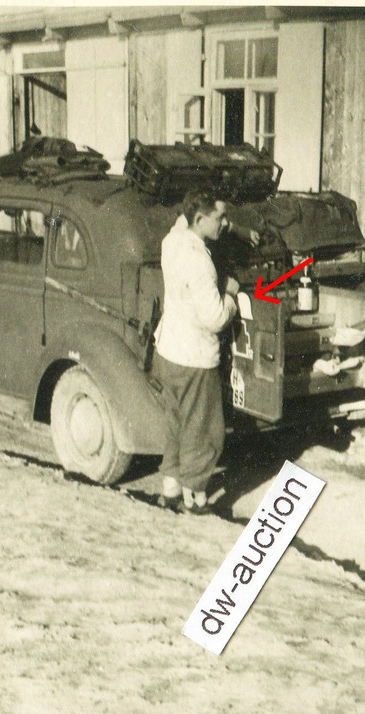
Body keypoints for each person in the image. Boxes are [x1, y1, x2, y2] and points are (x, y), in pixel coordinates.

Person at [152, 189, 241, 514]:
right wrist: (231, 294)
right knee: (204, 430)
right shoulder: (200, 261)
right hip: (195, 359)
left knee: (175, 423)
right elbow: (216, 318)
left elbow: (183, 221)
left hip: (168, 351)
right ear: (200, 219)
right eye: (220, 219)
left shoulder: (172, 240)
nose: (226, 224)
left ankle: (171, 489)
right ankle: (196, 497)